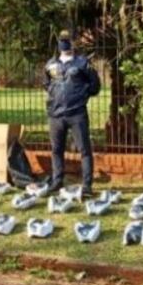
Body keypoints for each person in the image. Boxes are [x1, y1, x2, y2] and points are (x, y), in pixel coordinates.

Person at [42, 30, 100, 195]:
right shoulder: (50, 65)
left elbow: (94, 85)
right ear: (58, 43)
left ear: (72, 43)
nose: (65, 43)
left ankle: (87, 185)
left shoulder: (82, 64)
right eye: (62, 40)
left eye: (67, 40)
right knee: (56, 149)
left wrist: (82, 94)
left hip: (77, 114)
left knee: (84, 150)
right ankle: (57, 180)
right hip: (55, 115)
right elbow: (46, 84)